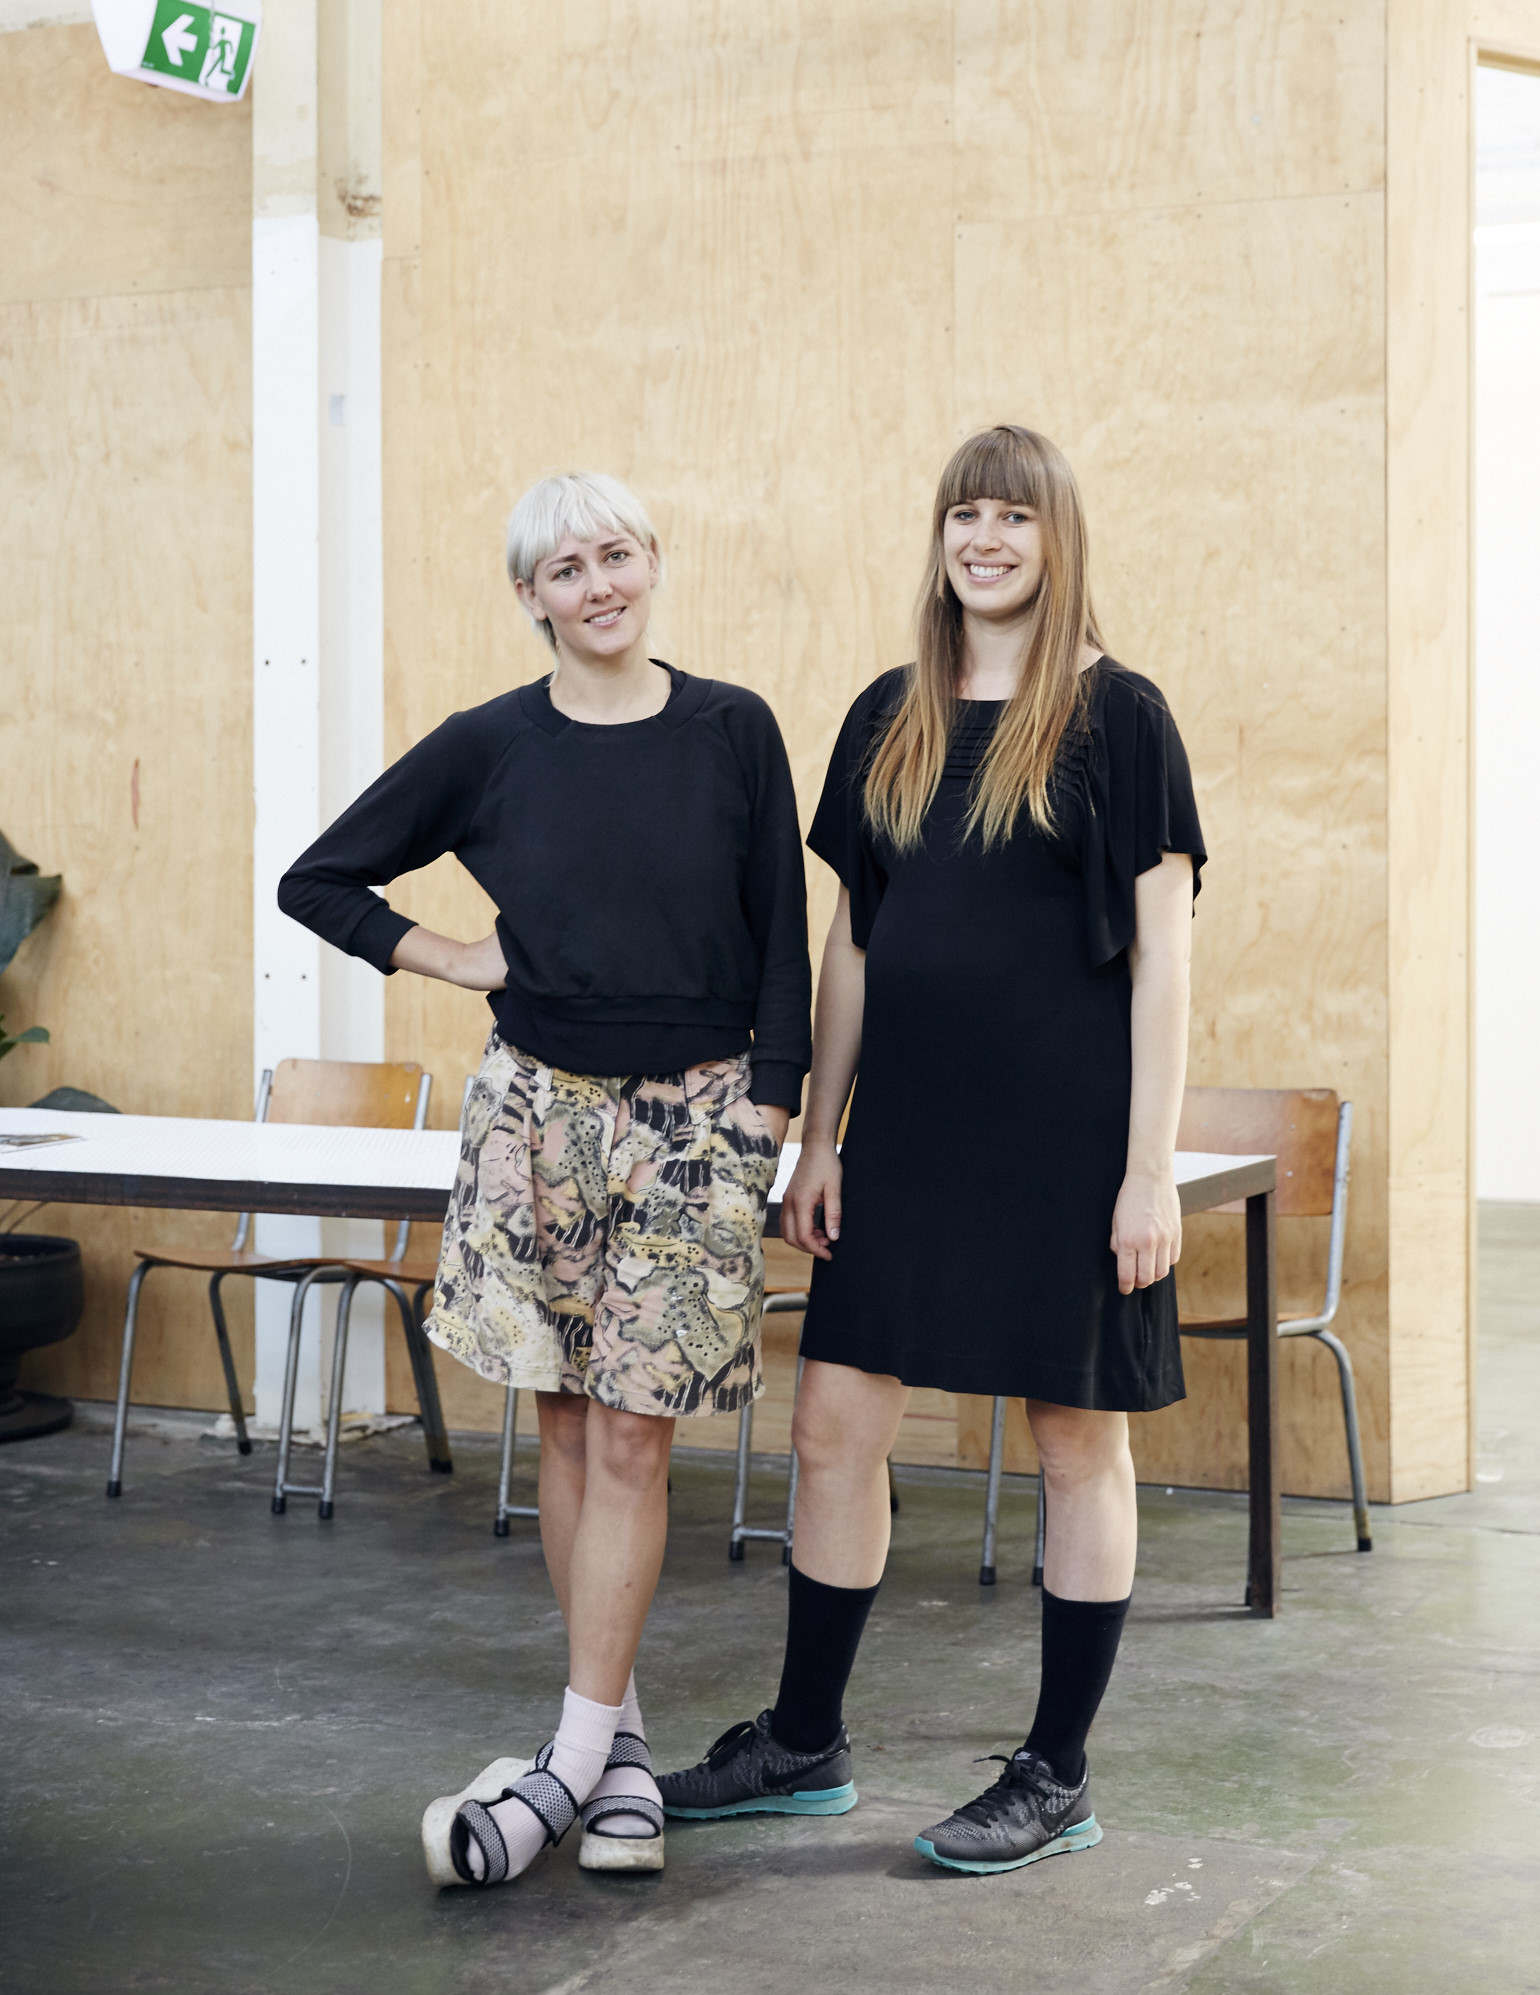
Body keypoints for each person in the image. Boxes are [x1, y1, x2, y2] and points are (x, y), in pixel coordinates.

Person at [658, 425, 1205, 1873]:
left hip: (1069, 1146)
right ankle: (804, 1740)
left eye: (1014, 517)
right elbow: (854, 944)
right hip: (906, 1138)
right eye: (965, 513)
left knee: (1074, 1443)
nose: (986, 539)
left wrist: (1149, 1167)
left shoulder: (1120, 717)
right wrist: (820, 1135)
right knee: (833, 1425)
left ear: (1057, 539)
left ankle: (1058, 1771)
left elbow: (1164, 961)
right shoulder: (887, 715)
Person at [278, 472, 810, 1886]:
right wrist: (451, 958)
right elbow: (319, 879)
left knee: (639, 1435)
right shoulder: (491, 745)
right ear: (532, 599)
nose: (598, 586)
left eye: (617, 556)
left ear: (655, 565)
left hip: (697, 1118)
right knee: (570, 1429)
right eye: (565, 569)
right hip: (537, 1117)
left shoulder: (734, 729)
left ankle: (566, 1767)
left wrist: (771, 1108)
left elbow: (782, 939)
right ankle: (616, 1748)